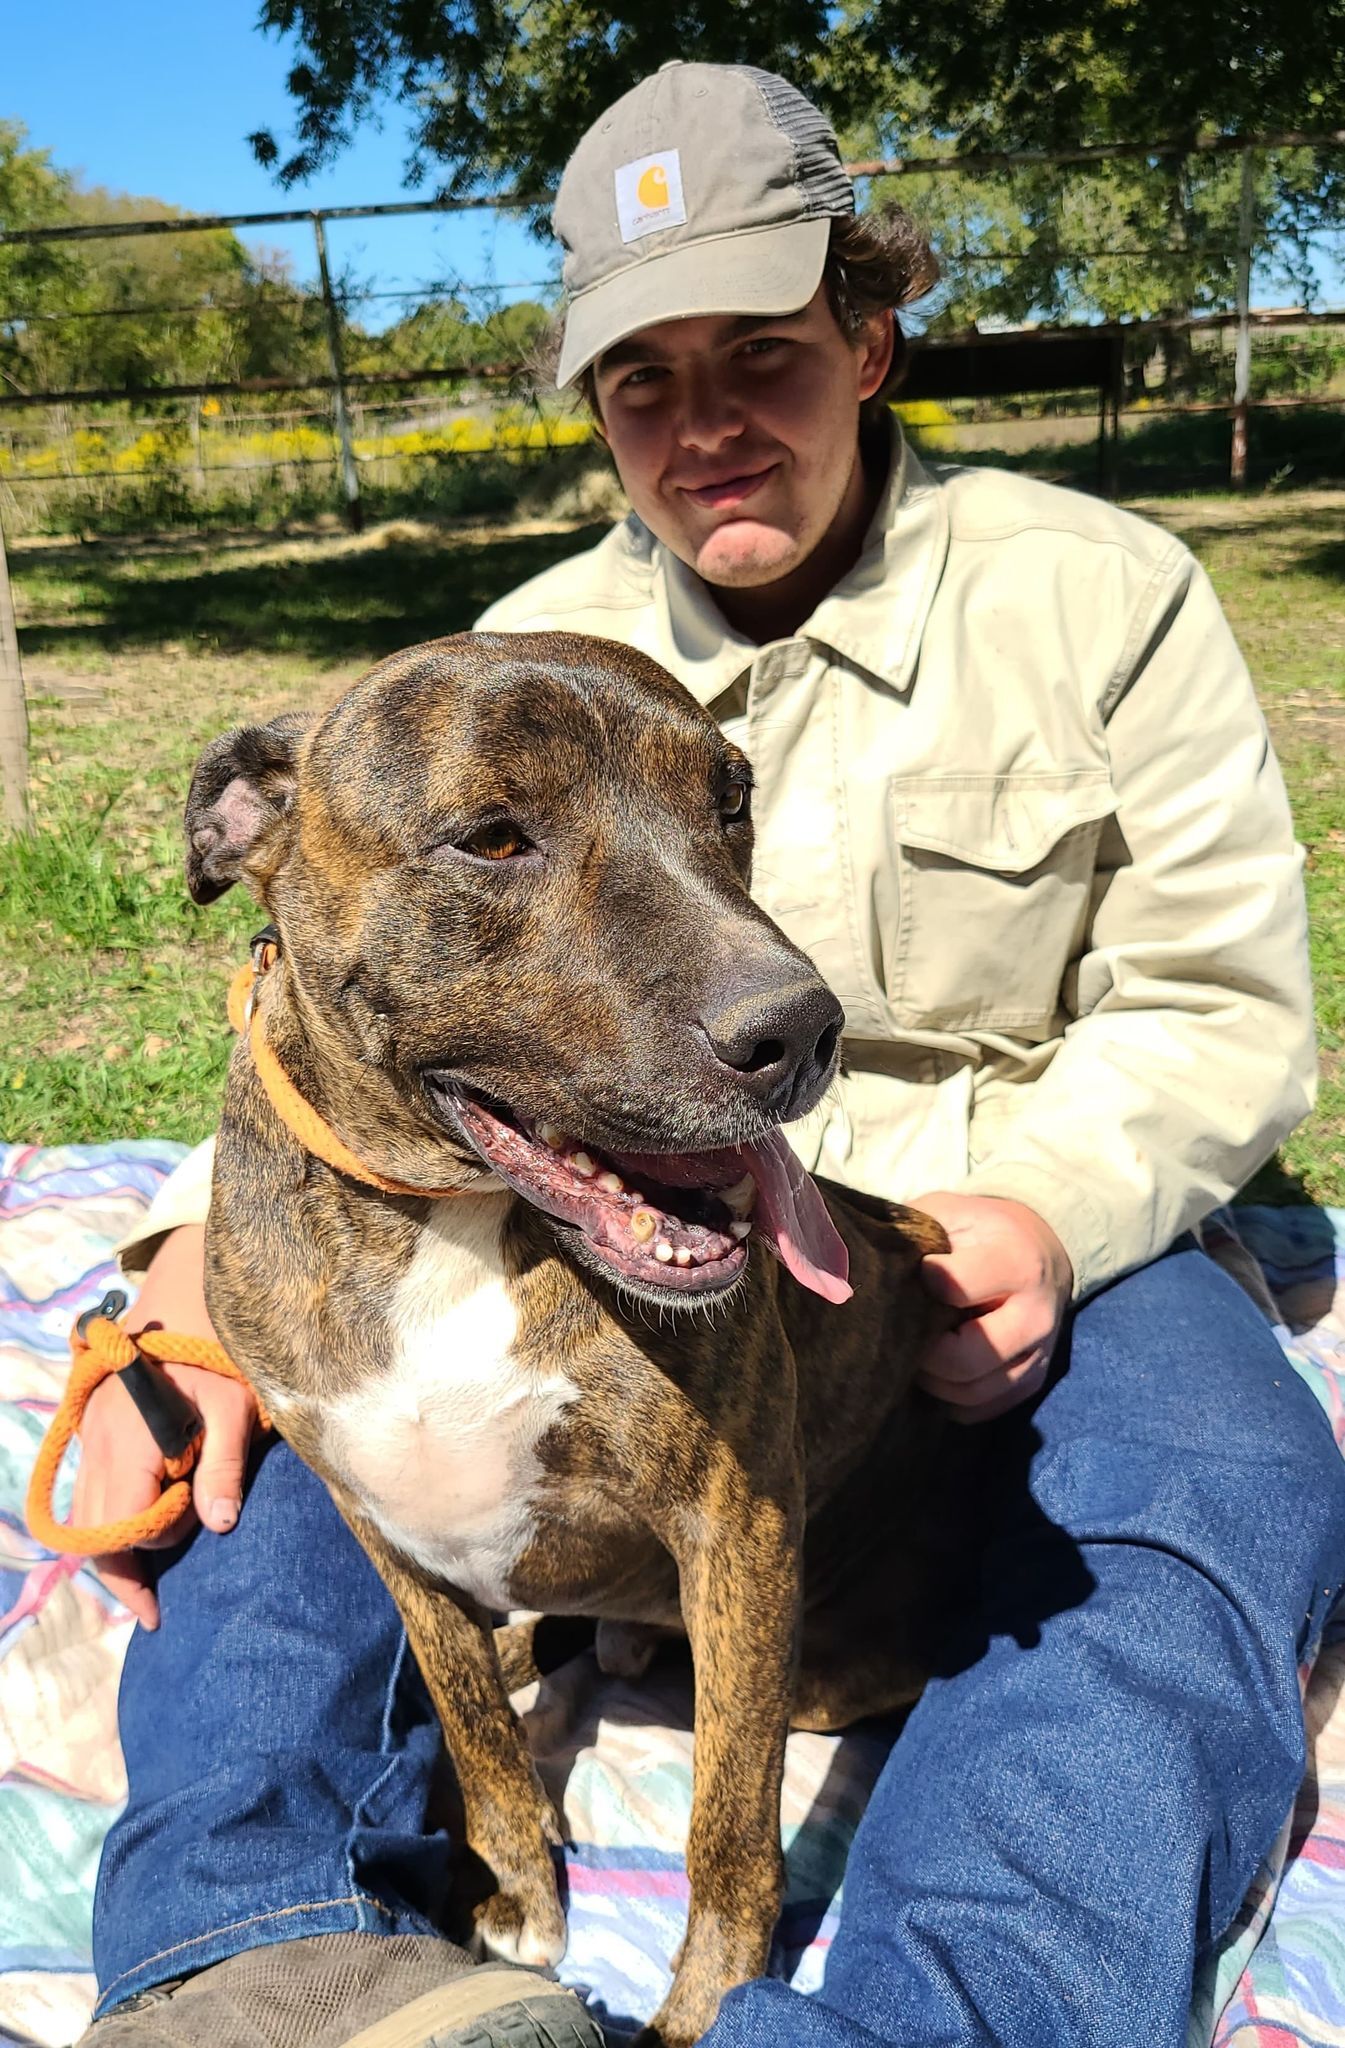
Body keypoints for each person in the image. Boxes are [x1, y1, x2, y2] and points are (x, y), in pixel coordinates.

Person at [73, 60, 1345, 2048]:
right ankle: (263, 1956)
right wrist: (190, 1254)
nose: (704, 424)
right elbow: (345, 969)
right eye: (641, 379)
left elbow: (1222, 1002)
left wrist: (1054, 1206)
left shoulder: (1098, 593)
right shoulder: (518, 656)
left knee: (1207, 1494)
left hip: (1008, 1216)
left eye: (760, 350)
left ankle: (937, 2018)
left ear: (868, 332)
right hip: (594, 1190)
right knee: (294, 1465)